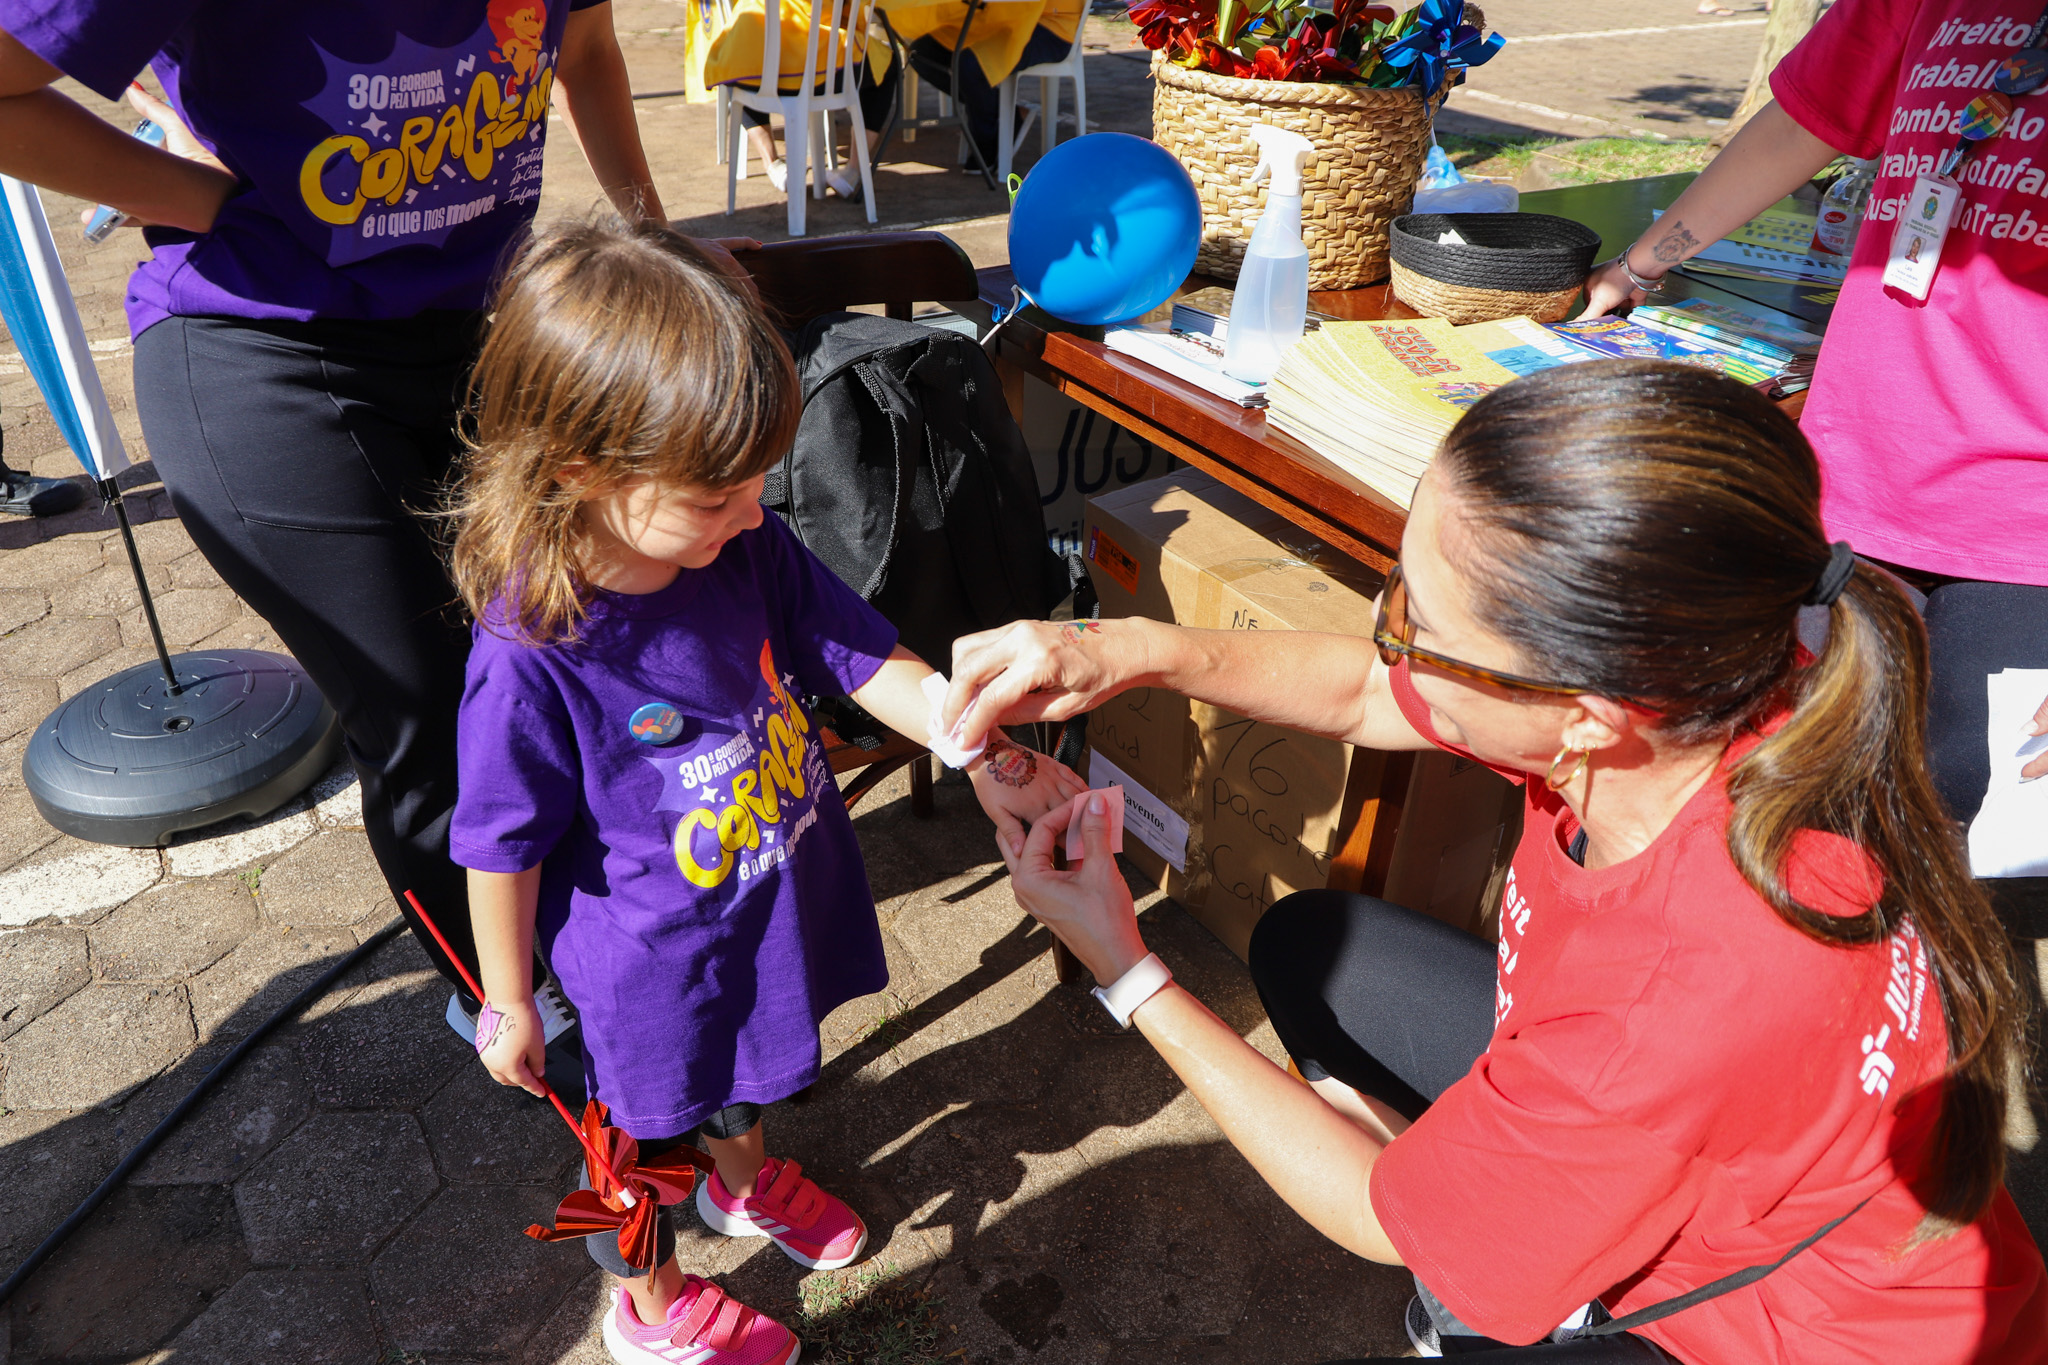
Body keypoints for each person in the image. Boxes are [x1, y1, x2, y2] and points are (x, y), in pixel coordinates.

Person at [940, 362, 2048, 1362]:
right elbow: (1375, 691)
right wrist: (1118, 649)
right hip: (1705, 1135)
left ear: (1580, 712)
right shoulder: (1735, 679)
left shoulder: (1666, 1008)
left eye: (1417, 622)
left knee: (1439, 1244)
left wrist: (1121, 962)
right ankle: (1505, 1206)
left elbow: (1375, 1215)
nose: (1388, 634)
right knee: (1308, 948)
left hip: (1781, 1334)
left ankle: (1510, 1284)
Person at [0, 1, 733, 1051]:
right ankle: (546, 1035)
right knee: (440, 724)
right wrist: (202, 198)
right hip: (270, 346)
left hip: (486, 326)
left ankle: (626, 954)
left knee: (588, 653)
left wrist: (653, 245)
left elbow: (586, 45)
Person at [446, 215, 1088, 1365]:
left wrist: (969, 740)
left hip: (762, 901)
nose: (754, 513)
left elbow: (855, 651)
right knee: (632, 1151)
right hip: (639, 973)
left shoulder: (740, 547)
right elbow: (498, 840)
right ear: (581, 469)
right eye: (716, 495)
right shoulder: (532, 648)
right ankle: (644, 1308)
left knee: (743, 1075)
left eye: (757, 484)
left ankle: (739, 1184)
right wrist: (506, 998)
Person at [1579, 0, 2048, 928]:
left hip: (2024, 542)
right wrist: (1642, 266)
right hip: (1853, 490)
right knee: (1734, 798)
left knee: (1958, 874)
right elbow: (1803, 121)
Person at [905, 0, 1085, 168]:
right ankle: (1005, 112)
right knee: (921, 53)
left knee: (970, 65)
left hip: (1050, 24)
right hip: (998, 17)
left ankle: (987, 142)